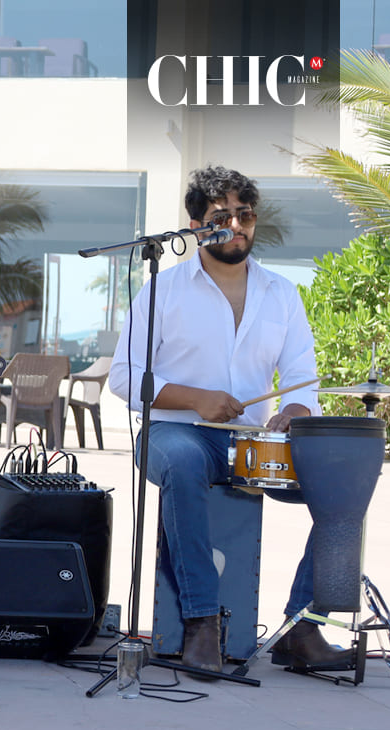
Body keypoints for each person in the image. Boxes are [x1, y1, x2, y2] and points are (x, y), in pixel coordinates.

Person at [109, 165, 352, 676]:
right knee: (178, 461)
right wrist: (196, 399)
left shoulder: (281, 294)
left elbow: (304, 377)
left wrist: (295, 410)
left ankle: (304, 627)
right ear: (196, 224)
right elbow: (126, 378)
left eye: (245, 215)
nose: (237, 225)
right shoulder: (162, 290)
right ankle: (201, 623)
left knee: (346, 481)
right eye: (223, 216)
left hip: (253, 442)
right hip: (179, 434)